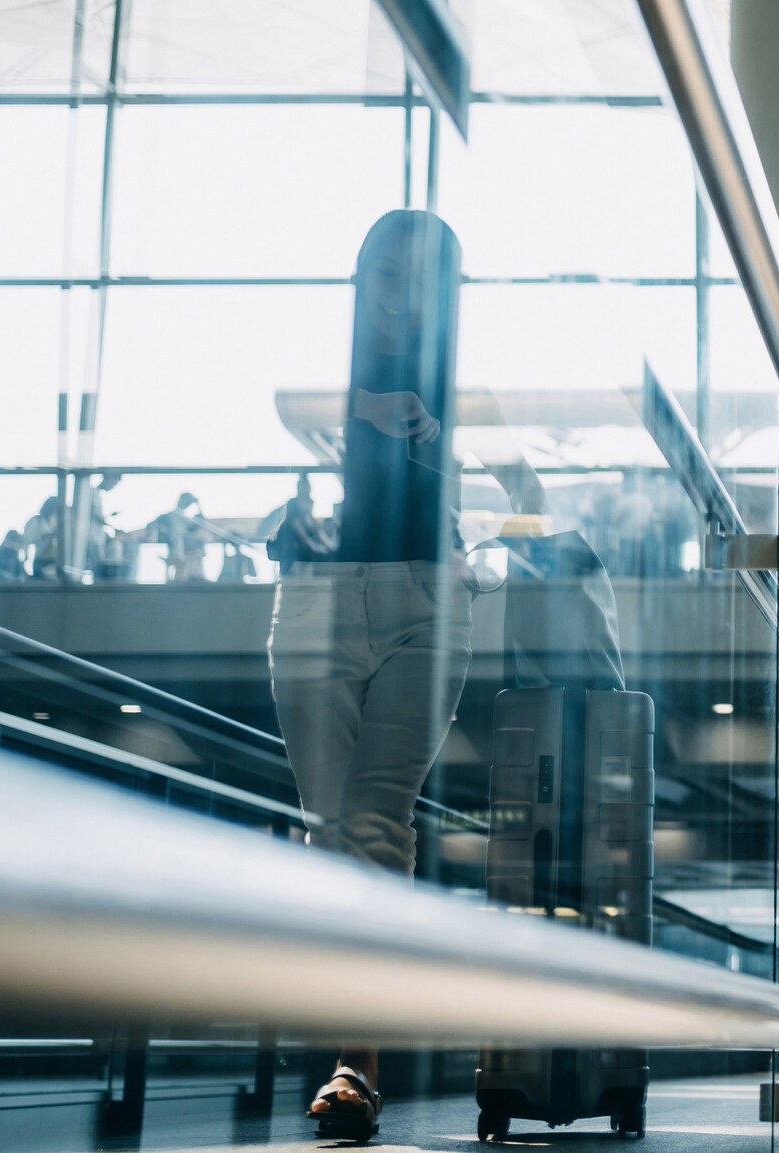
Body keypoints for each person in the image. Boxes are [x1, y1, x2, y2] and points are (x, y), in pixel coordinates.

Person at [267, 209, 474, 1140]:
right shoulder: (325, 367)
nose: (399, 293)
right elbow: (284, 408)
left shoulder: (466, 375)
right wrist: (366, 408)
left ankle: (356, 1066)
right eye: (385, 273)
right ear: (361, 277)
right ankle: (349, 1052)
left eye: (422, 278)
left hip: (428, 600)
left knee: (377, 823)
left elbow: (515, 489)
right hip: (317, 599)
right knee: (328, 831)